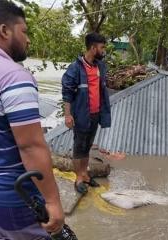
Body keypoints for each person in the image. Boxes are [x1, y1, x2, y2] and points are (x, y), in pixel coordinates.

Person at [0, 0, 64, 239]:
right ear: (4, 30)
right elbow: (30, 145)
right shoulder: (13, 76)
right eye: (25, 31)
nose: (28, 39)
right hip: (13, 197)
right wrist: (52, 202)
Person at [62, 33, 111, 194]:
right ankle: (78, 178)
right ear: (93, 47)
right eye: (102, 47)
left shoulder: (100, 66)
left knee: (88, 146)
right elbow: (67, 93)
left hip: (96, 114)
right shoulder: (75, 68)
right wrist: (68, 115)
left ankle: (85, 175)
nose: (104, 50)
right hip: (81, 114)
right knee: (79, 147)